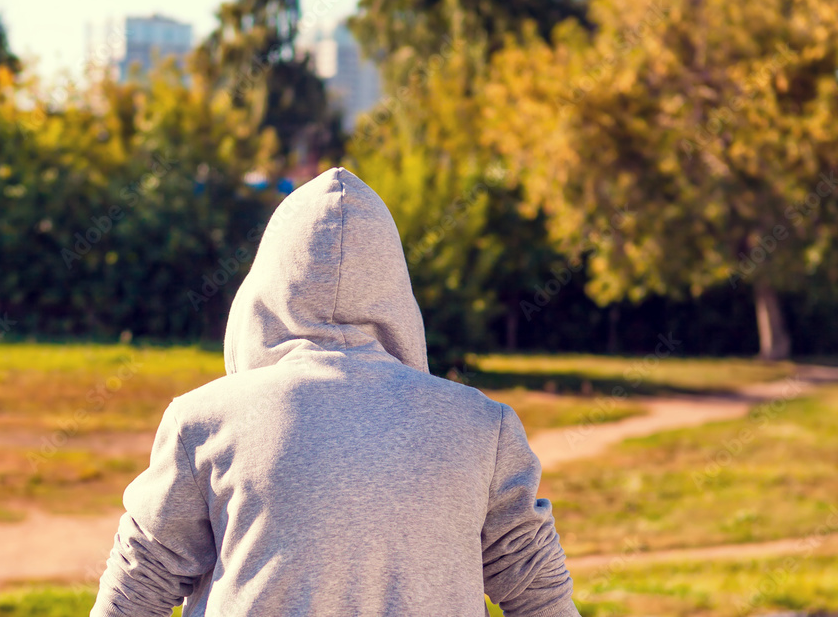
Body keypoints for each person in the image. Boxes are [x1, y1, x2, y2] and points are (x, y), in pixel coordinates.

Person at [90, 167, 579, 616]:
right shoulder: (481, 426)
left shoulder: (202, 422)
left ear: (263, 288)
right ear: (395, 294)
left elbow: (138, 586)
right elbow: (540, 592)